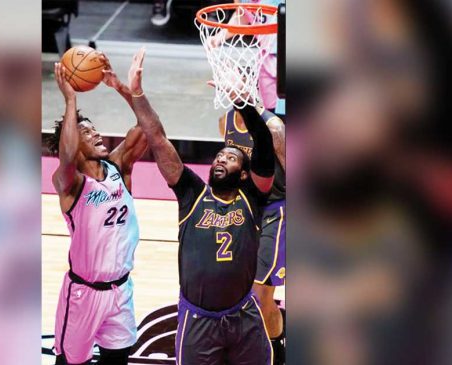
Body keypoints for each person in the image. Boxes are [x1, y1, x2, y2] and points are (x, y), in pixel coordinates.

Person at [127, 48, 276, 364]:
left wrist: (244, 105)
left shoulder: (252, 197)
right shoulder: (192, 194)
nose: (222, 157)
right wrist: (137, 95)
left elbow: (263, 145)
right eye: (220, 155)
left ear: (246, 173)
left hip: (243, 315)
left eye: (232, 157)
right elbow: (158, 139)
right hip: (200, 322)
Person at [48, 55, 148, 365]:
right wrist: (70, 101)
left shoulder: (118, 166)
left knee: (117, 360)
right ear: (73, 143)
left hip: (121, 290)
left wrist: (121, 87)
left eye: (94, 130)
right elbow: (65, 157)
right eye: (86, 133)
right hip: (83, 294)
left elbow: (149, 129)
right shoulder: (70, 183)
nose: (96, 135)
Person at [219, 106, 286, 364]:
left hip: (276, 212)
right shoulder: (225, 121)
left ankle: (276, 355)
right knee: (240, 292)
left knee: (260, 295)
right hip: (245, 211)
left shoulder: (274, 127)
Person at [209, 0, 282, 113]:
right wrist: (219, 36)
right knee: (272, 113)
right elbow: (241, 15)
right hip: (266, 58)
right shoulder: (244, 1)